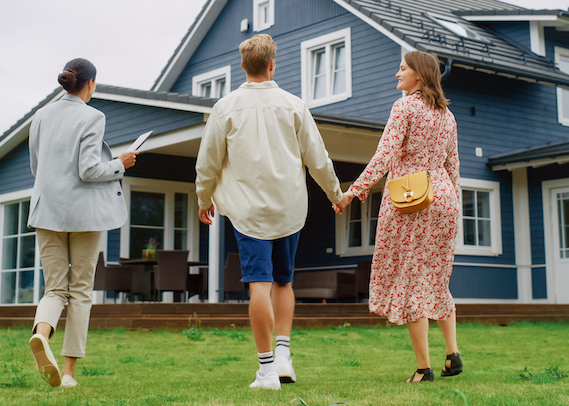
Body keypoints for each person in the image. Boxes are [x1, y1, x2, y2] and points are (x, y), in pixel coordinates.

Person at [196, 34, 350, 391]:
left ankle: (267, 370)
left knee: (259, 287)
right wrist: (336, 195)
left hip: (249, 214)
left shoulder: (225, 107)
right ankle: (283, 355)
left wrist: (204, 200)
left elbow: (208, 165)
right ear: (271, 64)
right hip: (289, 209)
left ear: (243, 66)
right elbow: (318, 159)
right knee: (284, 281)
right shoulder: (294, 105)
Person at [335, 51, 462, 383]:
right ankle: (453, 354)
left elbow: (384, 155)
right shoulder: (447, 116)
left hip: (412, 199)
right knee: (436, 279)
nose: (397, 74)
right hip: (445, 198)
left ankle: (424, 368)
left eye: (402, 69)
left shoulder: (404, 107)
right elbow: (453, 168)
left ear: (418, 75)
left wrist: (354, 191)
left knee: (411, 281)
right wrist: (455, 208)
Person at [28, 58, 138, 388]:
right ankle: (69, 373)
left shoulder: (40, 116)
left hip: (46, 211)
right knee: (80, 291)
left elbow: (38, 167)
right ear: (89, 84)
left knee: (55, 288)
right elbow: (89, 169)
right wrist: (120, 163)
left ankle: (42, 335)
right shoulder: (93, 116)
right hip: (83, 216)